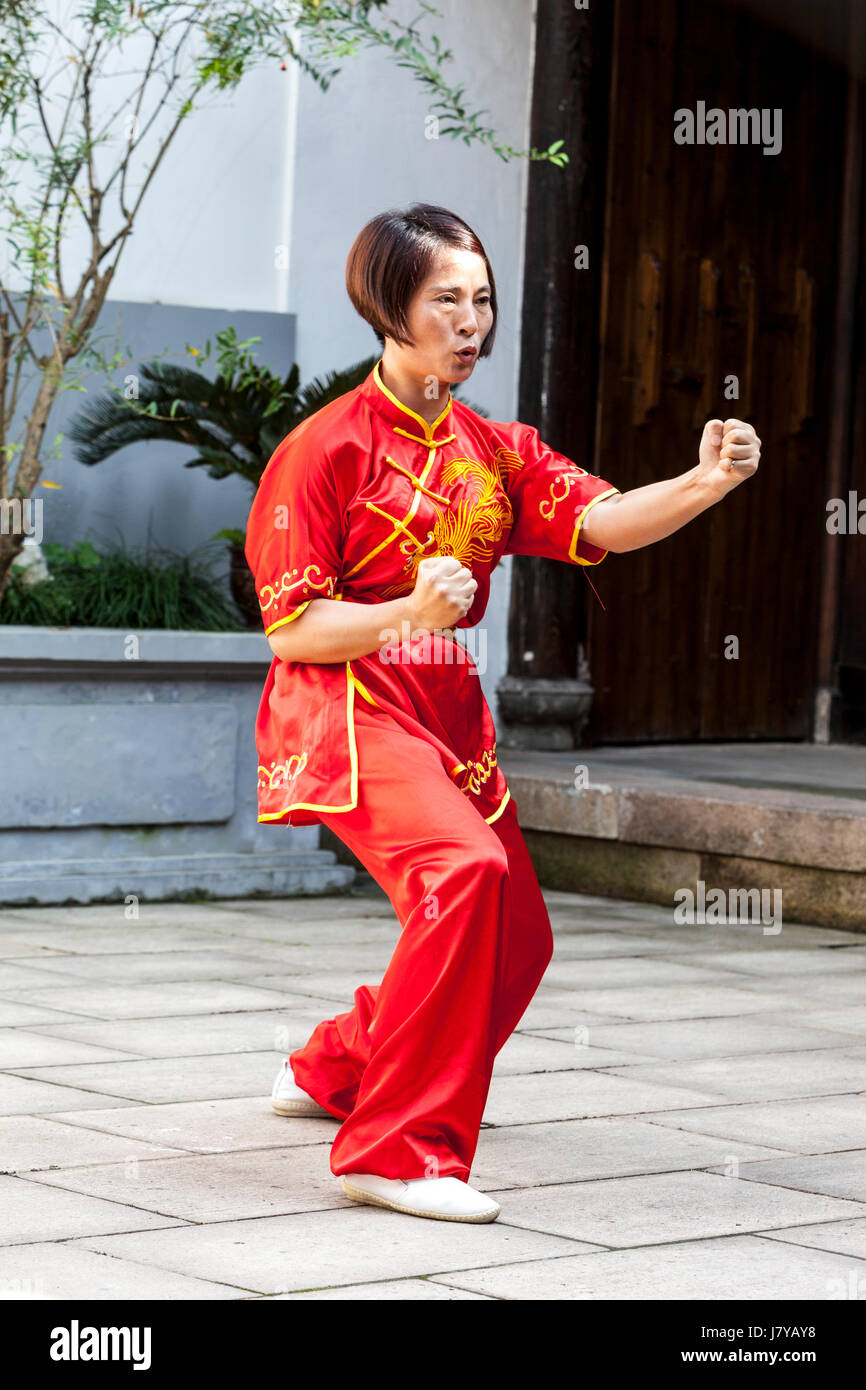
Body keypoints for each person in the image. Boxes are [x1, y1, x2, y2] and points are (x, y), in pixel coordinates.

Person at [244, 203, 761, 1224]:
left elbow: (600, 520)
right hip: (347, 705)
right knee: (462, 873)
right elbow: (291, 629)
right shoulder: (322, 451)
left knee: (516, 938)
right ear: (388, 306)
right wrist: (404, 610)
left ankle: (337, 1066)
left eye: (482, 300)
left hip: (444, 714)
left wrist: (702, 483)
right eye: (447, 299)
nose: (471, 321)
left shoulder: (493, 445)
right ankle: (393, 1148)